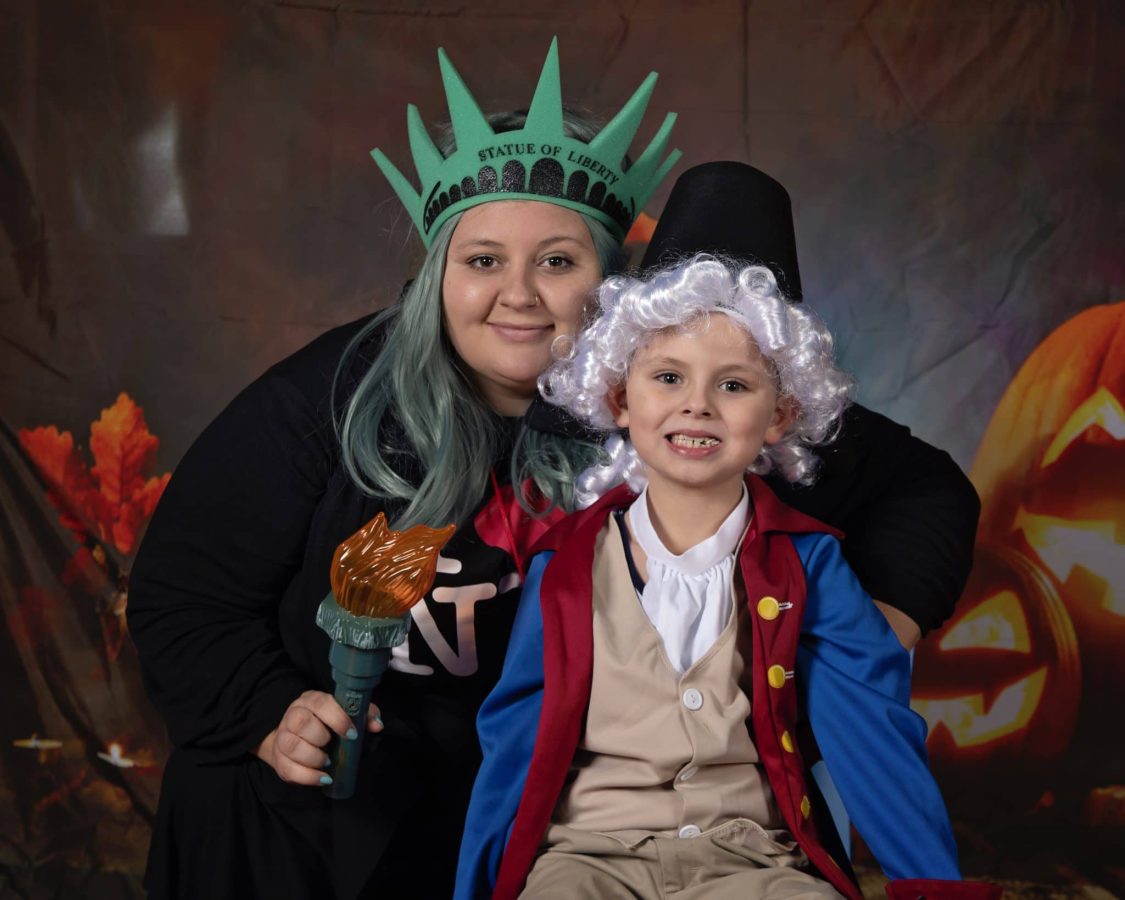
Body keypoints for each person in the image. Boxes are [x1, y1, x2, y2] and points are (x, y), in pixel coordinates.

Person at [126, 37, 976, 899]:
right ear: (440, 275)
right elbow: (183, 592)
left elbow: (925, 490)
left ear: (612, 287)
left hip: (575, 805)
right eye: (483, 259)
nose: (519, 293)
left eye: (558, 261)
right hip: (340, 787)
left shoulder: (677, 402)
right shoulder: (334, 394)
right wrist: (272, 711)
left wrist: (866, 633)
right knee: (230, 783)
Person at [454, 255, 996, 899]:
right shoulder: (564, 565)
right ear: (620, 400)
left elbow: (872, 728)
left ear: (779, 416)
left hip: (756, 860)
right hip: (588, 854)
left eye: (733, 386)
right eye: (668, 377)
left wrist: (931, 886)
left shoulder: (810, 563)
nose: (697, 406)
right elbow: (512, 739)